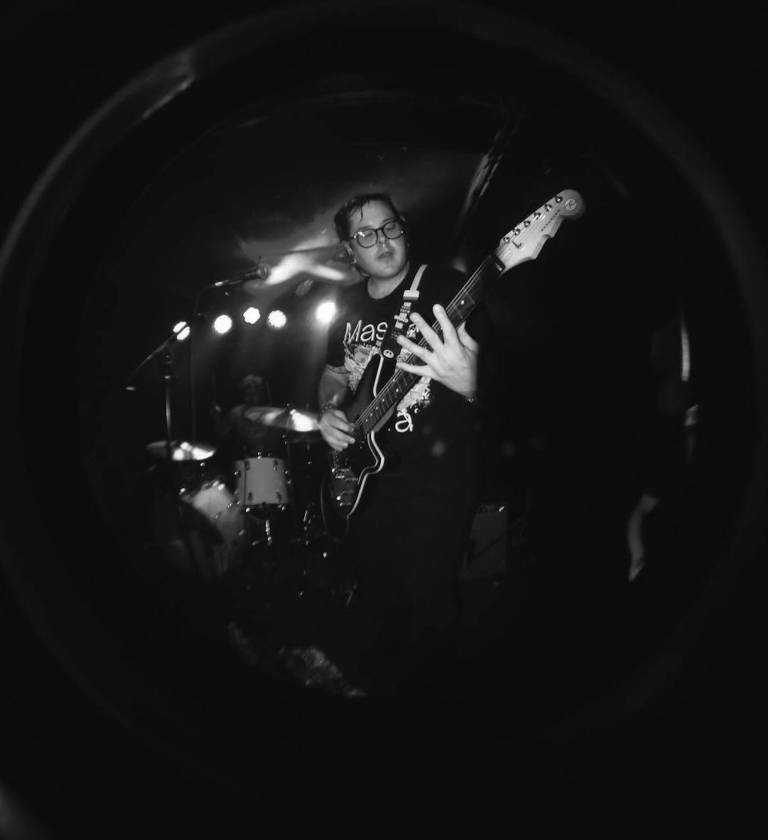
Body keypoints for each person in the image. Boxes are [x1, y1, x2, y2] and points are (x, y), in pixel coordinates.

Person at [314, 192, 485, 699]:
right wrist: (330, 411)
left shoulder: (446, 287)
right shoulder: (344, 304)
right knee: (376, 598)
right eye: (365, 235)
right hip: (367, 478)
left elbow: (502, 377)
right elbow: (332, 374)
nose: (381, 241)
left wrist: (474, 382)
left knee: (431, 603)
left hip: (435, 477)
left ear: (403, 230)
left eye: (389, 228)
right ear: (350, 249)